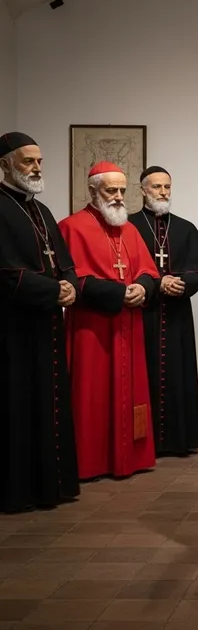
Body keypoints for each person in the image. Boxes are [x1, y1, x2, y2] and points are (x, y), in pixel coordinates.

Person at [59, 161, 159, 480]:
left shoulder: (128, 228)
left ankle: (132, 457)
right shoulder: (71, 227)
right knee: (92, 395)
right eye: (110, 190)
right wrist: (120, 293)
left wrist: (142, 287)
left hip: (129, 327)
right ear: (92, 191)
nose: (118, 197)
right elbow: (74, 280)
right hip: (93, 328)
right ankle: (93, 462)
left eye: (121, 190)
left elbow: (148, 270)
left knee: (132, 394)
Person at [0, 132, 80, 511]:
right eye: (28, 161)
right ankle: (19, 491)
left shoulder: (42, 211)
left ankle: (52, 486)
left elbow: (65, 263)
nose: (36, 168)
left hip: (46, 324)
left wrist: (71, 286)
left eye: (39, 162)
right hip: (12, 329)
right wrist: (53, 291)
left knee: (49, 402)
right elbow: (4, 275)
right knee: (17, 405)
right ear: (4, 165)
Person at [129, 166, 198, 456]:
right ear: (142, 190)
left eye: (167, 187)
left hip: (177, 314)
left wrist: (181, 283)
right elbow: (124, 270)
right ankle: (143, 441)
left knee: (177, 374)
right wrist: (157, 282)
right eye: (156, 187)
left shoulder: (185, 227)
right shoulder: (129, 227)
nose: (163, 192)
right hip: (144, 313)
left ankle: (179, 440)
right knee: (142, 374)